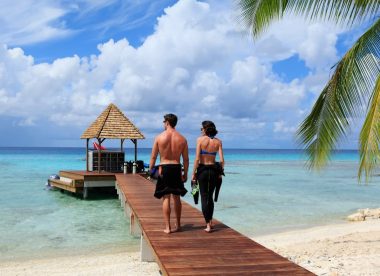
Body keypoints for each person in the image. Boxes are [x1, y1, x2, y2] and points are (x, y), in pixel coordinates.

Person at [149, 114, 189, 234]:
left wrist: (151, 172)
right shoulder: (182, 139)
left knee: (166, 197)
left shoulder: (159, 137)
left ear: (167, 122)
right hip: (176, 168)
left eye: (163, 122)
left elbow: (153, 157)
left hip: (164, 168)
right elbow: (186, 159)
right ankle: (179, 225)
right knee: (177, 197)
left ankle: (168, 227)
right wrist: (185, 173)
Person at [192, 121, 224, 233]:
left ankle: (208, 225)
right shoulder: (218, 142)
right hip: (214, 170)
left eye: (202, 128)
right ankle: (210, 222)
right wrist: (220, 172)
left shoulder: (200, 140)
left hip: (203, 170)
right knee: (210, 197)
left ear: (206, 129)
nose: (201, 130)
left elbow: (196, 159)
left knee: (204, 197)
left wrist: (193, 173)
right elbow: (222, 160)